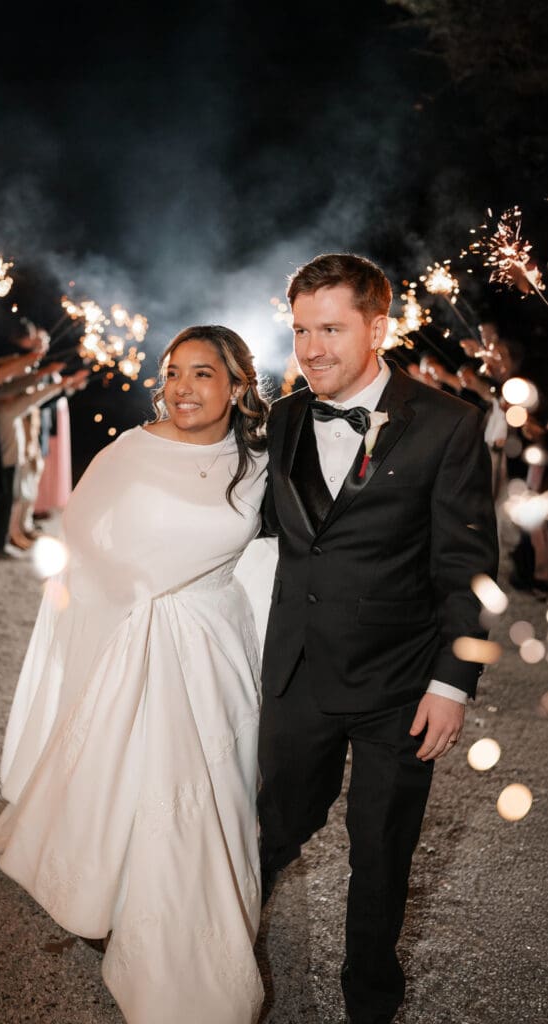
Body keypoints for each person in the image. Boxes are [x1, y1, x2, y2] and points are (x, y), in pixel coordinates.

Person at [0, 325, 269, 1024]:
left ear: (236, 385)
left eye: (203, 374)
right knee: (143, 784)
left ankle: (213, 910)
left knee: (219, 793)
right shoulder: (129, 453)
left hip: (216, 649)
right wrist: (129, 598)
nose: (182, 388)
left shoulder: (260, 461)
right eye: (173, 373)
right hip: (135, 641)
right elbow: (80, 541)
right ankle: (140, 919)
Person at [257, 253, 498, 1024]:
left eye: (330, 329)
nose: (312, 349)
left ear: (377, 327)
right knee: (274, 823)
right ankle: (212, 941)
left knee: (380, 851)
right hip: (297, 671)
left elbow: (466, 568)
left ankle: (369, 1000)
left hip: (400, 684)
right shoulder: (285, 416)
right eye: (300, 330)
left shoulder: (448, 425)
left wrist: (451, 683)